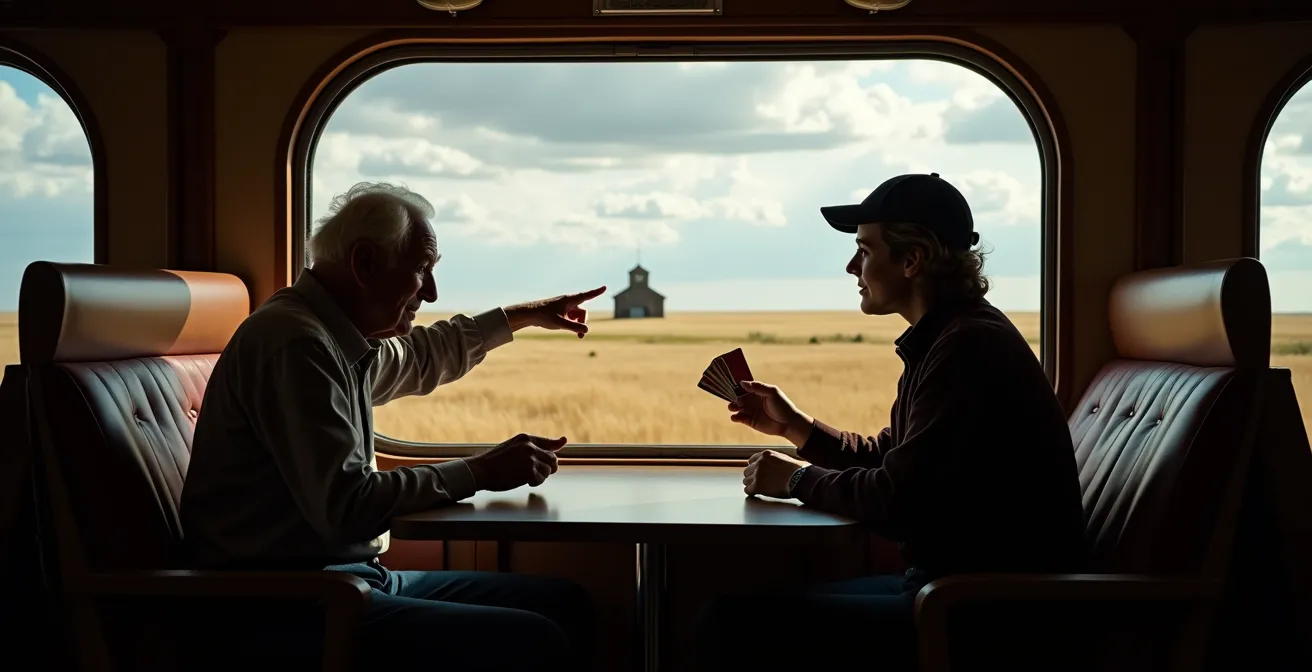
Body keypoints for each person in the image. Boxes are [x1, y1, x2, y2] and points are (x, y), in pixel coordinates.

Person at [180, 182, 602, 670]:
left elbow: (421, 355)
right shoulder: (297, 346)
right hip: (284, 601)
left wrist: (524, 316)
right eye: (422, 269)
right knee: (534, 639)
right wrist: (480, 472)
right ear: (364, 264)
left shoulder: (335, 337)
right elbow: (347, 507)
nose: (432, 291)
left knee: (566, 605)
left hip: (348, 579)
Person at [695, 173, 1088, 671]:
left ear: (911, 260)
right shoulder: (949, 334)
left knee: (726, 624)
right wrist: (796, 427)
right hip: (951, 588)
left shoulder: (967, 348)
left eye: (864, 249)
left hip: (985, 613)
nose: (851, 266)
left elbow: (898, 499)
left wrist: (795, 479)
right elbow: (894, 459)